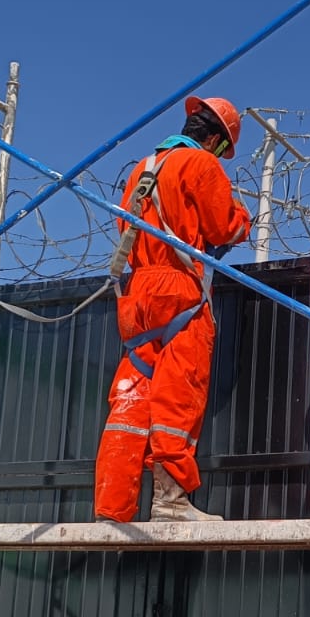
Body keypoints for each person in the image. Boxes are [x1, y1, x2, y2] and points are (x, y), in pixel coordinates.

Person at [94, 95, 251, 524]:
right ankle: (170, 501)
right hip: (180, 288)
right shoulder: (201, 165)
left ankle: (113, 508)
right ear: (216, 139)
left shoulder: (140, 170)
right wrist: (243, 218)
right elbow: (225, 227)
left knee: (130, 397)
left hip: (138, 289)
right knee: (179, 393)